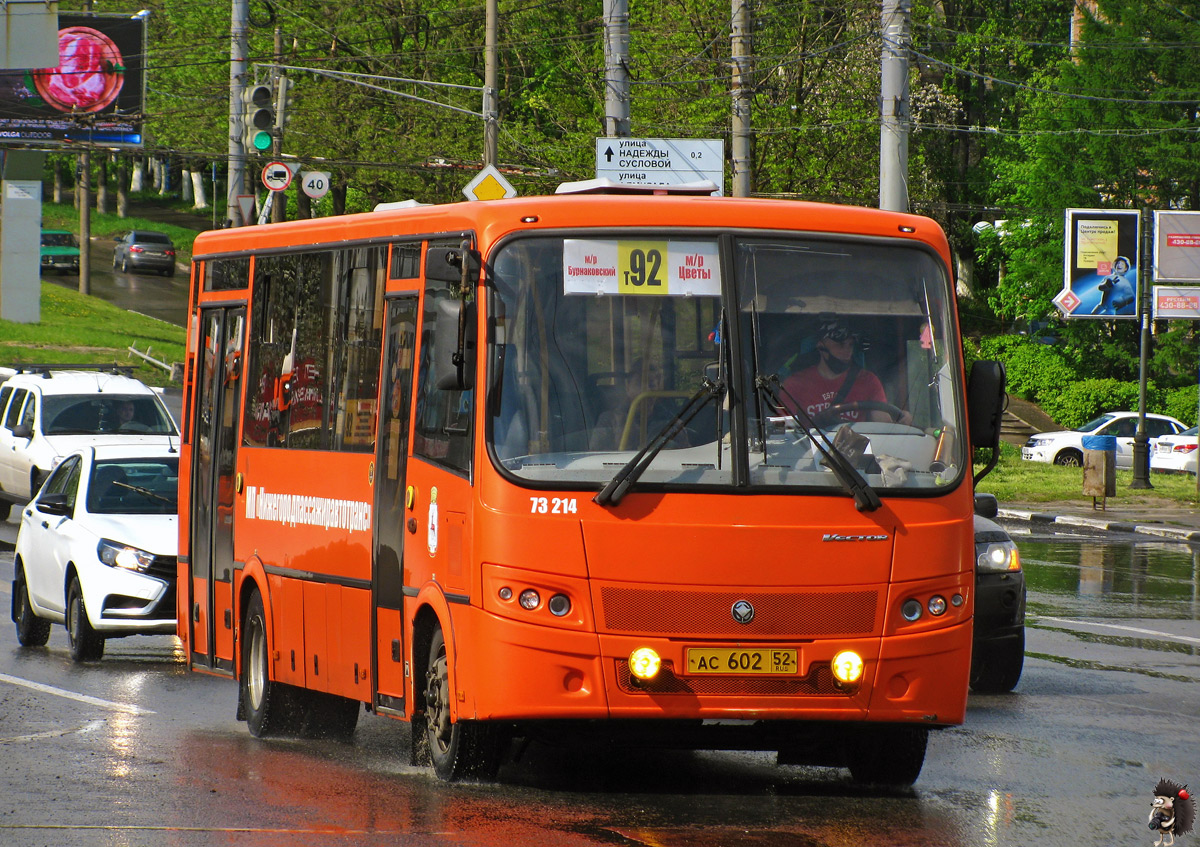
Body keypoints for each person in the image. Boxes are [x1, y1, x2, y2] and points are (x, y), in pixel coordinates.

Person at [779, 316, 910, 425]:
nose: (847, 351)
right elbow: (785, 432)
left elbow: (882, 423)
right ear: (820, 346)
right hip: (811, 453)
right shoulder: (794, 384)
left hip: (855, 453)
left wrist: (901, 421)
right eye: (840, 345)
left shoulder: (868, 381)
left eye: (850, 345)